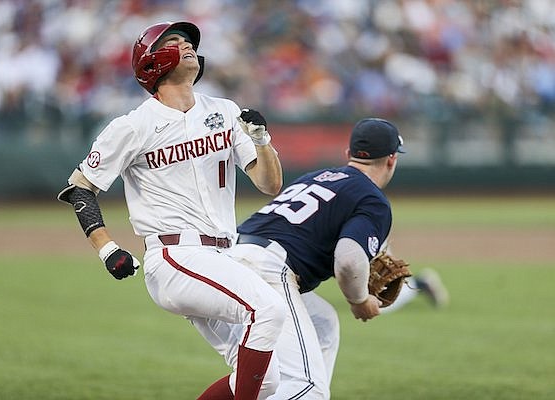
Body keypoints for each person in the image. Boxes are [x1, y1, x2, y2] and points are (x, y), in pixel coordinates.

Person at [57, 21, 287, 400]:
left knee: (266, 381)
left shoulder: (225, 111)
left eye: (189, 42)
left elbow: (269, 184)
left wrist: (262, 141)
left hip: (221, 256)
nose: (187, 46)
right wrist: (107, 248)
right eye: (174, 41)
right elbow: (80, 188)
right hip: (175, 256)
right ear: (151, 61)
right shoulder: (133, 125)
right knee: (268, 310)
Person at [195, 117, 423, 399]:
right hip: (268, 270)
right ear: (391, 160)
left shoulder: (316, 176)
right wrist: (360, 301)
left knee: (322, 323)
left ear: (348, 155)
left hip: (226, 264)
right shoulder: (371, 198)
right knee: (307, 387)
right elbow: (349, 261)